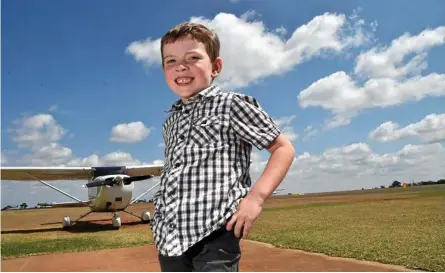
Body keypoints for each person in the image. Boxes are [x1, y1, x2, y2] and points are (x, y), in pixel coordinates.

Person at [150, 22, 295, 272]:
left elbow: (283, 148)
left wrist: (256, 199)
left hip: (215, 231)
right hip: (169, 238)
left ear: (216, 66)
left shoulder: (230, 105)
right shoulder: (171, 121)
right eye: (171, 61)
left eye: (193, 57)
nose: (181, 66)